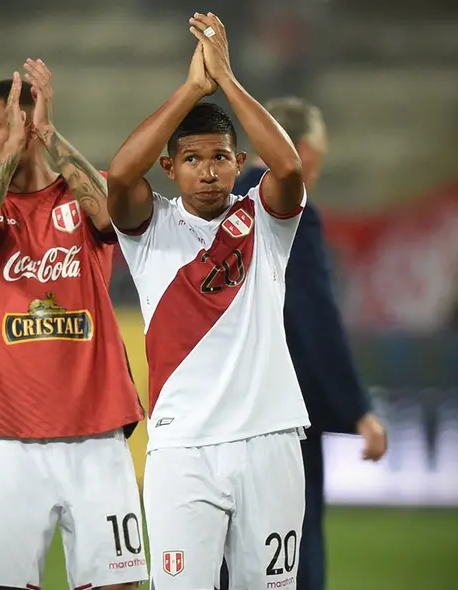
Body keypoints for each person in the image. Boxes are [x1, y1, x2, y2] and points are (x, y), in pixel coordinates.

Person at [107, 13, 311, 589]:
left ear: (238, 165)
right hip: (182, 450)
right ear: (169, 168)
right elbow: (120, 175)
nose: (208, 171)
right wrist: (194, 88)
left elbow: (290, 165)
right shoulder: (152, 230)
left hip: (268, 442)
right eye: (191, 159)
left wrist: (227, 78)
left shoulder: (265, 223)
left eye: (221, 157)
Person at [0, 61, 147, 590]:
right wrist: (9, 158)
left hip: (96, 435)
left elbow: (110, 217)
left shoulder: (80, 199)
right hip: (2, 441)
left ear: (26, 126)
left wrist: (49, 135)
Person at [218, 98, 389, 590]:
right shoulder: (293, 210)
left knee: (222, 554)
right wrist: (357, 409)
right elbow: (313, 316)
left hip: (216, 412)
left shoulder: (210, 202)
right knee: (291, 549)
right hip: (280, 414)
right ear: (305, 149)